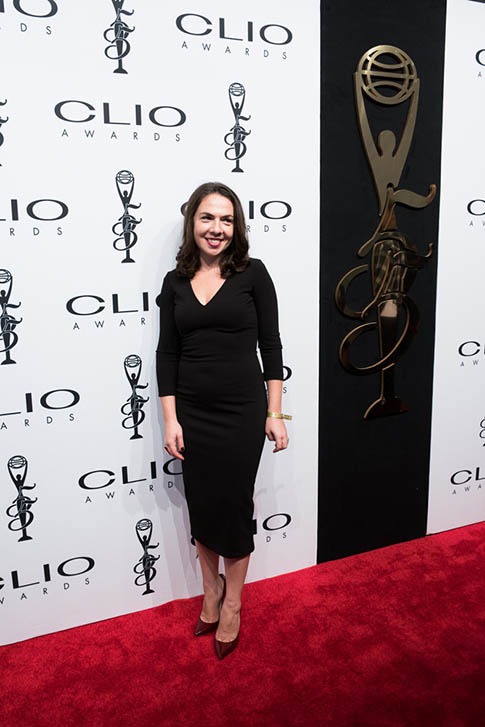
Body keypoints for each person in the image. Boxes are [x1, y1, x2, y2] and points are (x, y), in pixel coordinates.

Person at [156, 181, 290, 660]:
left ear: (238, 227)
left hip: (240, 413)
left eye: (227, 219)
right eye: (207, 218)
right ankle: (209, 591)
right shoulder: (174, 283)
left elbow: (271, 347)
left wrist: (275, 413)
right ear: (192, 222)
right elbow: (167, 354)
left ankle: (232, 602)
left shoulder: (253, 274)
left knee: (232, 507)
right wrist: (170, 420)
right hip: (191, 414)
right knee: (202, 504)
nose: (217, 228)